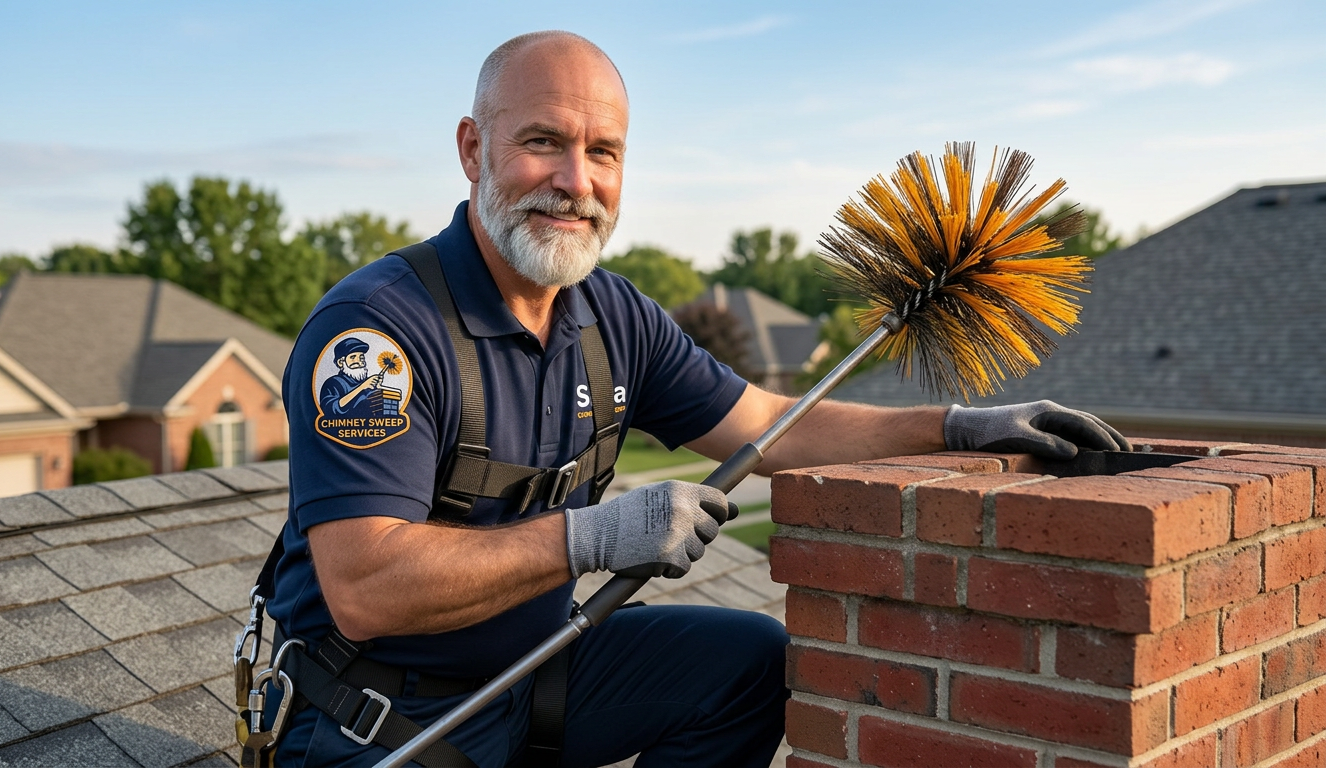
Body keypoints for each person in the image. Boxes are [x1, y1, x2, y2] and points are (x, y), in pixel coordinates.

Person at [267, 30, 1130, 768]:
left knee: (750, 660)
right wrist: (595, 535)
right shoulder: (379, 331)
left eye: (602, 152)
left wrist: (953, 428)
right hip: (379, 712)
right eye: (542, 141)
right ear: (471, 148)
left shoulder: (613, 318)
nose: (576, 180)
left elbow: (767, 425)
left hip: (533, 673)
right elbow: (366, 588)